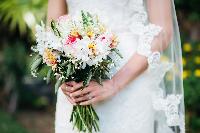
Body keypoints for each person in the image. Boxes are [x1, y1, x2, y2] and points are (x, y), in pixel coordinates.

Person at [47, 0, 185, 132]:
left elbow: (162, 33)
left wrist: (115, 83)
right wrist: (62, 73)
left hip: (130, 77)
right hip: (74, 82)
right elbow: (52, 27)